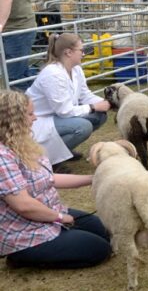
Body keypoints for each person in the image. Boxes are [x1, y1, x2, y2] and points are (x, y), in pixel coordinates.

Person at [0, 90, 111, 269]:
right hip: (25, 232)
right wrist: (59, 217)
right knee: (100, 250)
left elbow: (49, 178)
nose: (35, 118)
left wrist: (94, 178)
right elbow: (23, 205)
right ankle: (20, 256)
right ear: (12, 120)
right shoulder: (2, 157)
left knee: (106, 232)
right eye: (30, 114)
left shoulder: (22, 144)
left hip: (48, 214)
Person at [26, 34, 110, 168]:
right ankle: (47, 160)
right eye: (81, 50)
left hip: (56, 117)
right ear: (68, 52)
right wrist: (94, 106)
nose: (84, 53)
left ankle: (63, 151)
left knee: (100, 116)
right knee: (83, 126)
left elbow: (84, 94)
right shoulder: (53, 74)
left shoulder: (75, 69)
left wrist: (108, 103)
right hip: (38, 120)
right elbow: (64, 111)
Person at [0, 0, 37, 89]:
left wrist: (0, 25)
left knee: (14, 77)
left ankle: (22, 109)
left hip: (18, 28)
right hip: (8, 28)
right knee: (18, 73)